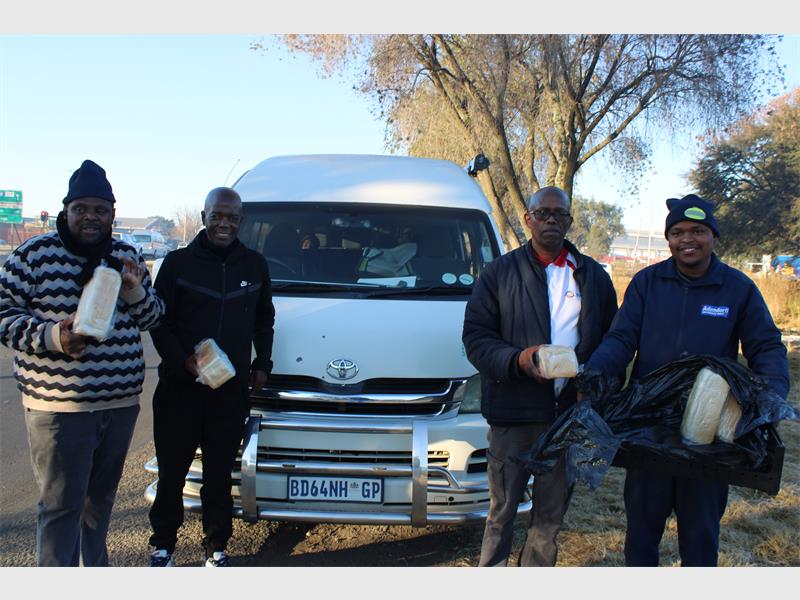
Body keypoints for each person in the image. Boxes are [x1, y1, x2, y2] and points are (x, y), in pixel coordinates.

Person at [584, 194, 790, 567]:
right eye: (677, 232)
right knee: (641, 534)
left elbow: (766, 347)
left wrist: (771, 394)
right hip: (649, 429)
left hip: (707, 436)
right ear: (669, 239)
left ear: (714, 236)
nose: (687, 239)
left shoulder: (737, 289)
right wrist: (597, 371)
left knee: (700, 537)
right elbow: (621, 338)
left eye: (698, 230)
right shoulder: (648, 282)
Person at [0, 159, 164, 566]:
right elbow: (3, 314)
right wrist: (55, 337)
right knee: (60, 506)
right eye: (82, 209)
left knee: (99, 504)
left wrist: (133, 292)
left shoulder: (126, 255)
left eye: (99, 209)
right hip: (60, 409)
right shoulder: (34, 254)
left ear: (112, 212)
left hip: (120, 404)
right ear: (66, 210)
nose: (90, 217)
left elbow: (155, 317)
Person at [462, 186, 618, 566]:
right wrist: (518, 360)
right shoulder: (499, 273)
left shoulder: (593, 277)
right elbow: (476, 340)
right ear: (528, 219)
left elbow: (613, 340)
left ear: (569, 221)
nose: (551, 220)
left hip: (568, 416)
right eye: (542, 213)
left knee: (549, 519)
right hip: (514, 413)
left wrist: (592, 386)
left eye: (559, 215)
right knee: (501, 514)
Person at [147, 186, 274, 567]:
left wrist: (262, 363)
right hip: (179, 391)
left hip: (228, 393)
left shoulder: (254, 266)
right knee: (172, 474)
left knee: (219, 476)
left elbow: (264, 318)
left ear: (241, 221)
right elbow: (158, 322)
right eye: (217, 216)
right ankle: (163, 545)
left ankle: (216, 547)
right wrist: (184, 361)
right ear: (204, 217)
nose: (224, 223)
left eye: (232, 217)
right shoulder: (177, 264)